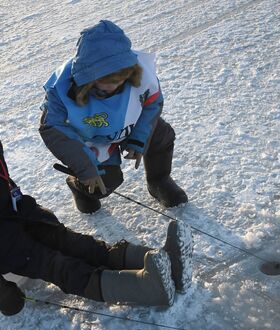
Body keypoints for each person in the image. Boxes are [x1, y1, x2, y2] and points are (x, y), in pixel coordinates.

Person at [0, 86, 193, 316]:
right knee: (60, 266)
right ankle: (146, 288)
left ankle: (163, 260)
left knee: (80, 245)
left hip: (23, 218)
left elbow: (1, 182)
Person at [39, 20, 188, 214]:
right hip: (92, 138)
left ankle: (159, 180)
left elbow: (152, 104)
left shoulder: (142, 72)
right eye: (106, 80)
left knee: (161, 135)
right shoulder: (60, 89)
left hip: (128, 124)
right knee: (106, 182)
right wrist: (85, 167)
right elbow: (52, 128)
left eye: (121, 78)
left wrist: (139, 139)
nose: (114, 85)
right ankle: (78, 186)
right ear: (89, 75)